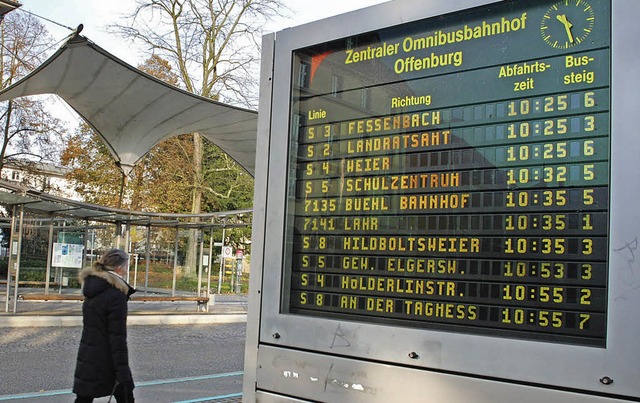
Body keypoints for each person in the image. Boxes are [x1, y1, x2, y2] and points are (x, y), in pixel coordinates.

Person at [73, 248, 136, 403]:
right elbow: (117, 336)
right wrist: (122, 369)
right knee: (126, 395)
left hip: (89, 353)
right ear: (119, 269)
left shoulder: (93, 288)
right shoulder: (116, 294)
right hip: (109, 357)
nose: (127, 272)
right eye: (127, 267)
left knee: (84, 397)